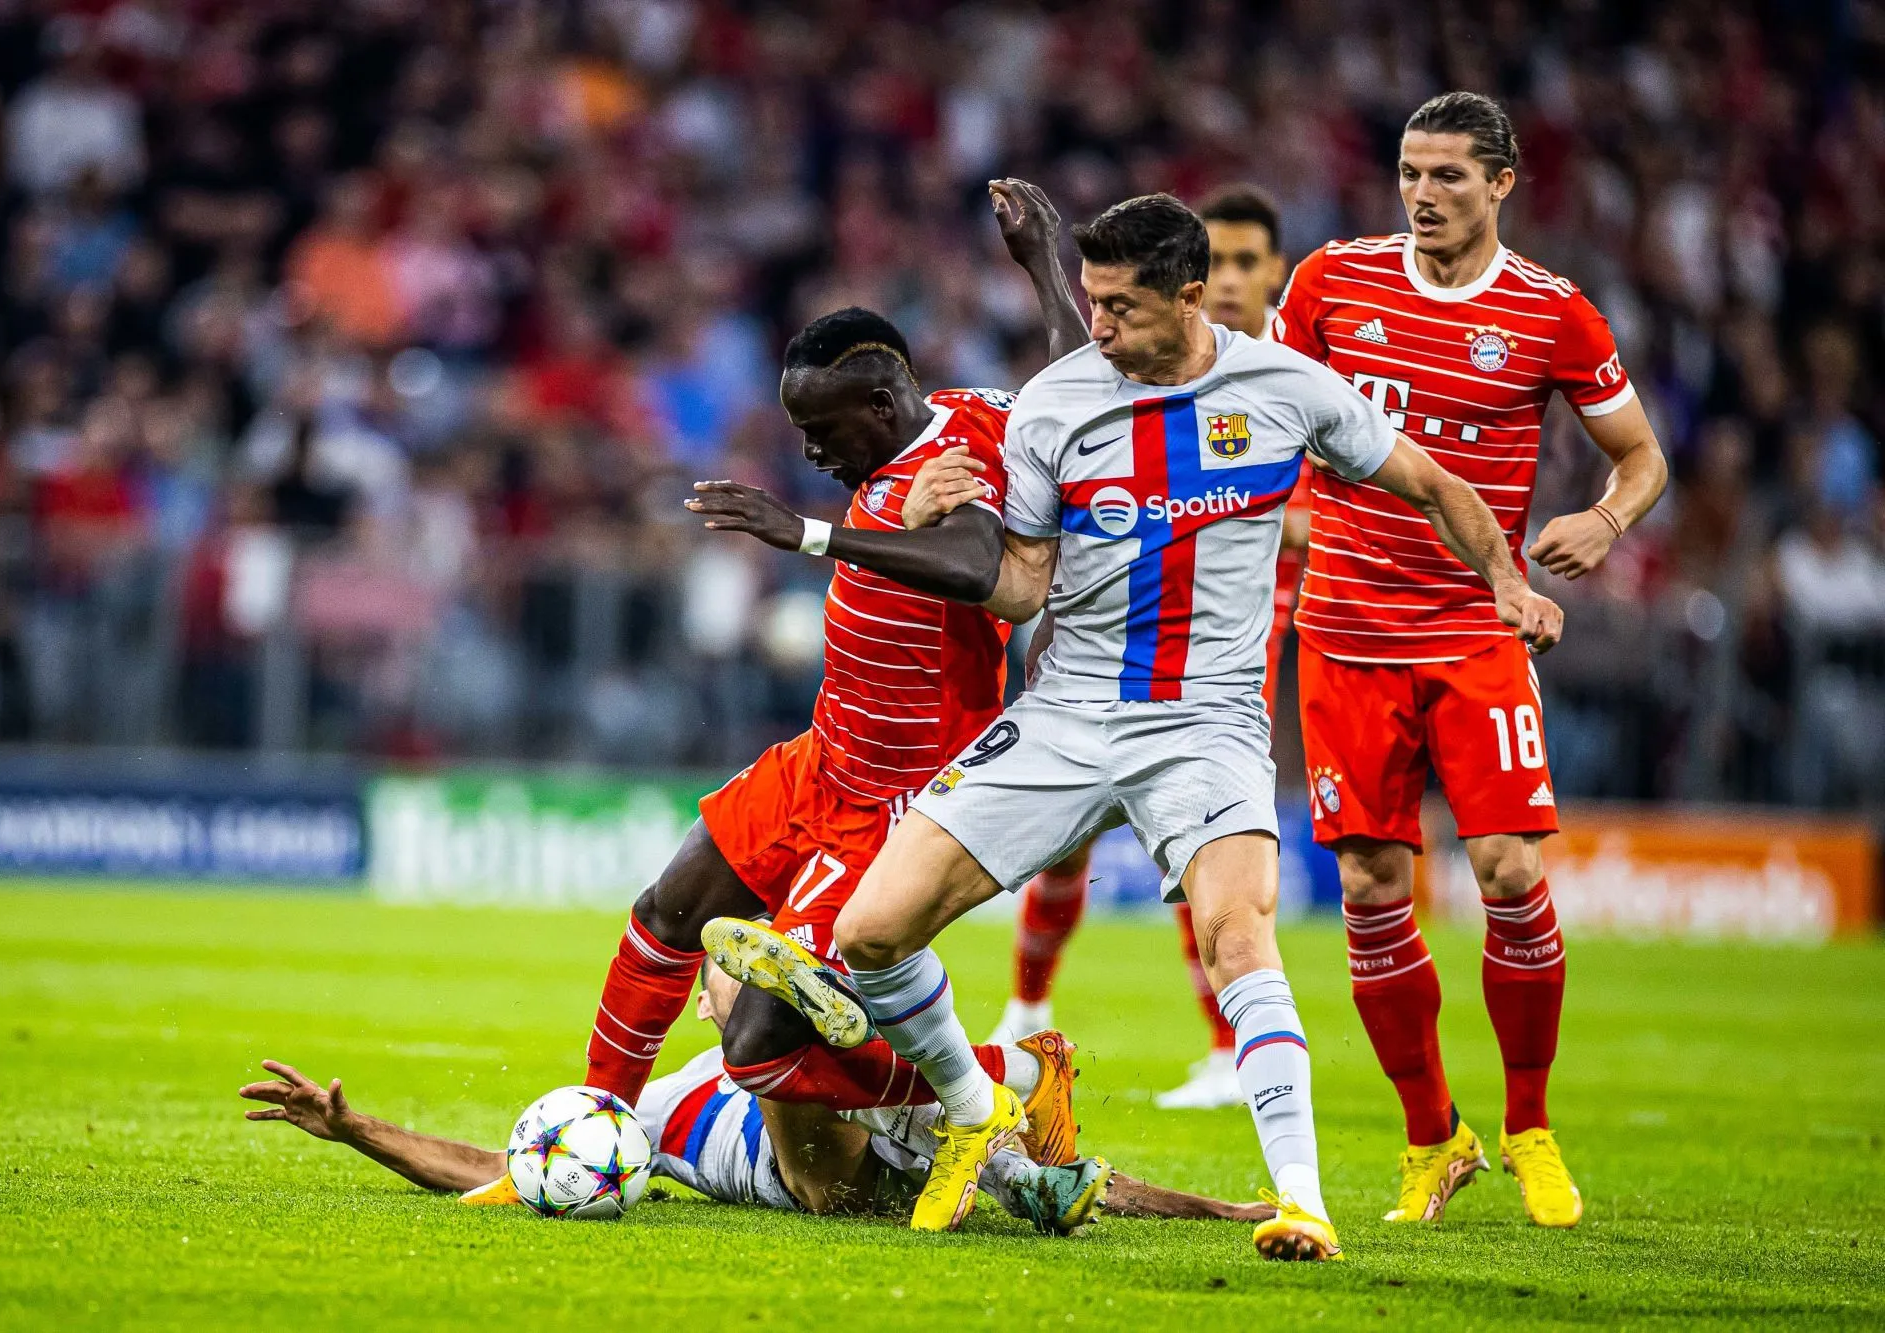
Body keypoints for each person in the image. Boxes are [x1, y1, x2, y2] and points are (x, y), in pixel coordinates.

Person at [703, 191, 1563, 1259]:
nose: (1094, 324)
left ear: (1189, 296)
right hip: (1064, 713)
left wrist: (1504, 585)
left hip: (1203, 724)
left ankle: (1302, 1201)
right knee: (869, 934)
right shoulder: (1056, 404)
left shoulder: (1285, 386)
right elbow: (1016, 589)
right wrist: (886, 527)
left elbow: (1431, 480)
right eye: (1089, 301)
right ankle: (976, 1106)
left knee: (1234, 932)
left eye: (1116, 306)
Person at [577, 181, 1094, 1203]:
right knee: (664, 912)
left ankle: (1016, 1077)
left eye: (822, 431)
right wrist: (1041, 264)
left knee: (761, 1045)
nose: (812, 454)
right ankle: (595, 1131)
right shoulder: (947, 421)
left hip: (902, 796)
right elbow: (1077, 386)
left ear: (878, 404)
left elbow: (974, 561)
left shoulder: (951, 455)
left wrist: (802, 533)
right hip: (823, 758)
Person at [1271, 92, 1669, 1228]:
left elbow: (1637, 457)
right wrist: (1276, 519)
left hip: (1470, 629)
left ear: (1502, 183)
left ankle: (1529, 1124)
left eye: (1448, 176)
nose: (1422, 194)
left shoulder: (1552, 313)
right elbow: (1253, 417)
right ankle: (1427, 1137)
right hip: (1343, 633)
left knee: (1502, 868)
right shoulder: (1331, 284)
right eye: (1408, 172)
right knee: (1367, 887)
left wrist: (1601, 522)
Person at [985, 185, 1305, 1114]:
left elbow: (1339, 507)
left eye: (1252, 262)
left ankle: (1225, 1050)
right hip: (1104, 637)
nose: (1239, 278)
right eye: (1227, 259)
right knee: (1063, 851)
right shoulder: (1143, 360)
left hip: (1237, 659)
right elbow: (1077, 382)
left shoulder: (1288, 373)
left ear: (1267, 272)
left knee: (1209, 861)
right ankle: (1026, 1005)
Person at [238, 960, 1279, 1232]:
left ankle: (1005, 1140)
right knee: (799, 1077)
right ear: (703, 1000)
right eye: (727, 975)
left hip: (863, 1154)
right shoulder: (649, 1110)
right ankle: (990, 1105)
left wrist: (1223, 1209)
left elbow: (1099, 1176)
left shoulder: (861, 1078)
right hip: (818, 1174)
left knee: (1012, 1160)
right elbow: (513, 1171)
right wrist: (353, 1130)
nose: (725, 983)